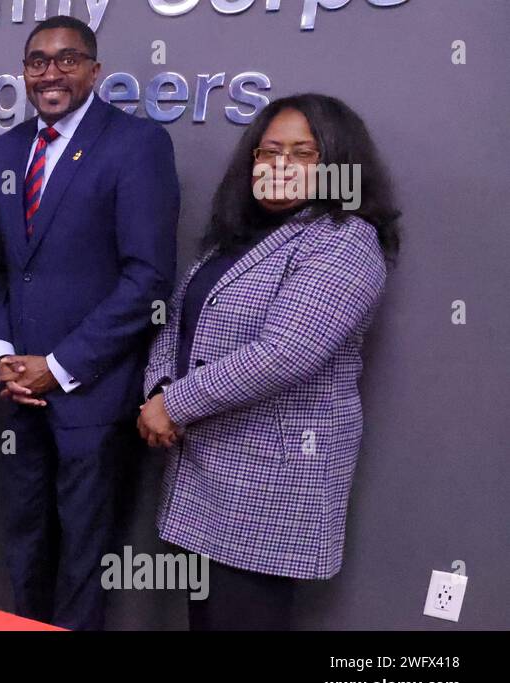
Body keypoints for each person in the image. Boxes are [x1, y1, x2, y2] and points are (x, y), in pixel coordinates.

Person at [138, 94, 398, 631]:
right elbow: (179, 321)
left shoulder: (346, 240)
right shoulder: (237, 237)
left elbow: (286, 351)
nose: (280, 165)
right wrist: (159, 385)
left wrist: (174, 404)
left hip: (274, 475)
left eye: (304, 153)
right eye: (269, 150)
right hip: (206, 467)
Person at [0, 16, 180, 630]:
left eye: (67, 60)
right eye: (38, 61)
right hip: (17, 390)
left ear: (95, 70)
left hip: (90, 392)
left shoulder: (137, 143)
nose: (51, 72)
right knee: (24, 544)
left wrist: (59, 366)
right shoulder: (7, 150)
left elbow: (146, 279)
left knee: (85, 558)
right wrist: (1, 353)